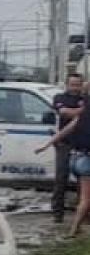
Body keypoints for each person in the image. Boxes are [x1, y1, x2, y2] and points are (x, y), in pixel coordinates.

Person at [37, 91, 90, 238]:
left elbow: (63, 131)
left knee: (85, 198)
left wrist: (46, 145)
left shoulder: (81, 118)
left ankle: (76, 227)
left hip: (77, 160)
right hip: (87, 162)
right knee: (86, 199)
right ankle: (74, 229)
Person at [52, 72, 85, 222]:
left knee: (83, 182)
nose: (75, 88)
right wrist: (83, 112)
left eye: (78, 85)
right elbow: (64, 113)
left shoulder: (85, 98)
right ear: (67, 84)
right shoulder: (59, 98)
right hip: (64, 144)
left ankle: (82, 215)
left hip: (82, 146)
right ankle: (57, 214)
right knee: (61, 180)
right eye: (72, 84)